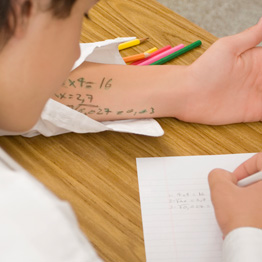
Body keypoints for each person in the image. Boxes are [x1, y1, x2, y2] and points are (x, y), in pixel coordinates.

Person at [0, 0, 262, 261]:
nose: (72, 54)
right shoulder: (29, 234)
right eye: (84, 16)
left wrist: (188, 90)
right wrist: (247, 236)